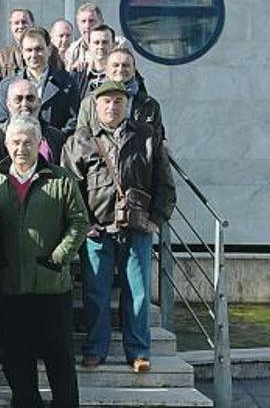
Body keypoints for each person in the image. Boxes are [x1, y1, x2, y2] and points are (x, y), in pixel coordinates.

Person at [61, 81, 176, 373]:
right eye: (106, 102)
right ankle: (95, 349)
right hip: (97, 231)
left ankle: (139, 352)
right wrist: (83, 223)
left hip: (137, 228)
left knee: (137, 292)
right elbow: (69, 186)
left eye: (118, 101)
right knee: (95, 293)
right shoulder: (80, 141)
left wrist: (156, 219)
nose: (112, 107)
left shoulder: (146, 136)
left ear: (126, 105)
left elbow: (164, 182)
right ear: (95, 106)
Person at [0, 116, 89, 408]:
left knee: (60, 362)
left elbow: (79, 222)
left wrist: (59, 257)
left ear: (40, 144)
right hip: (12, 288)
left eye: (28, 142)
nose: (21, 148)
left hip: (51, 288)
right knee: (17, 361)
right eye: (16, 142)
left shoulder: (60, 179)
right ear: (7, 144)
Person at [0, 79, 66, 186]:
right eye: (18, 99)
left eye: (30, 98)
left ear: (39, 103)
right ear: (8, 105)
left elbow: (64, 177)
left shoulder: (55, 137)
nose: (25, 104)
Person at [0, 27, 79, 136]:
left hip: (55, 149)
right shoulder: (7, 86)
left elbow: (74, 121)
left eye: (39, 49)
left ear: (49, 50)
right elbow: (1, 122)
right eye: (29, 50)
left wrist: (53, 141)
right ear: (22, 52)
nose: (34, 55)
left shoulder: (67, 83)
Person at [75, 48, 164, 142]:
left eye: (125, 65)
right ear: (106, 70)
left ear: (134, 70)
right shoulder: (90, 103)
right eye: (115, 65)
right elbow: (80, 140)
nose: (120, 69)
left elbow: (158, 140)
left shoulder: (149, 104)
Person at [64, 2, 129, 72]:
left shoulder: (120, 44)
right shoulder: (73, 50)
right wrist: (74, 69)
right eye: (83, 21)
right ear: (78, 24)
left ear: (101, 22)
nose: (87, 26)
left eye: (91, 21)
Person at [71, 24, 115, 98]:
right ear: (89, 46)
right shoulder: (78, 73)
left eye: (105, 42)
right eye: (96, 42)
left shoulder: (120, 73)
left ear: (113, 45)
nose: (100, 47)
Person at [0, 9, 35, 77]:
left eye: (24, 22)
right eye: (16, 23)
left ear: (32, 24)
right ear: (11, 27)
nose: (21, 26)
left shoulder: (44, 52)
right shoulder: (1, 57)